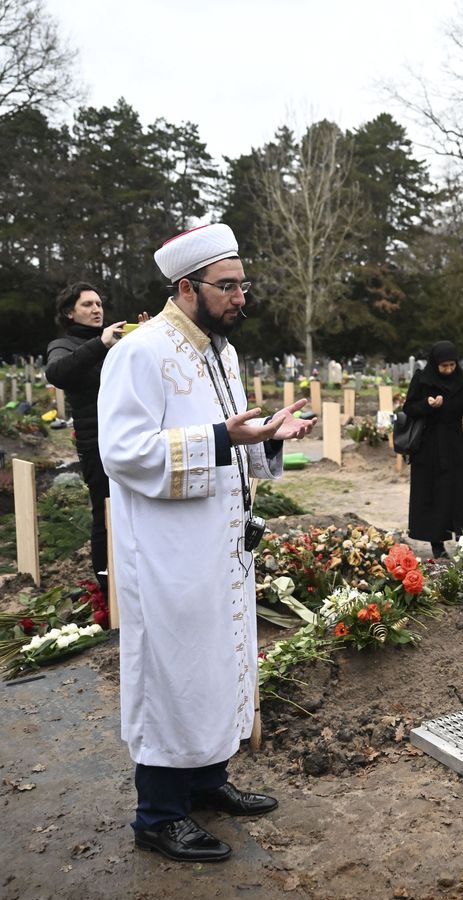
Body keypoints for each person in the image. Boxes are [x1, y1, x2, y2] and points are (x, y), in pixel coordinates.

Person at [97, 223, 314, 862]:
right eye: (228, 286)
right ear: (187, 287)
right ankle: (159, 814)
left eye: (243, 285)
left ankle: (208, 781)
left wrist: (269, 436)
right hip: (168, 554)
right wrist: (224, 439)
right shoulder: (139, 353)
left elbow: (236, 438)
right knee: (173, 673)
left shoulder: (221, 352)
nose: (240, 297)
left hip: (220, 546)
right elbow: (124, 453)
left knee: (219, 663)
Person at [45, 282, 141, 603]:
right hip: (97, 445)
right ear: (69, 312)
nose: (97, 309)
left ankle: (138, 577)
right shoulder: (64, 344)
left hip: (133, 439)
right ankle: (108, 589)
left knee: (139, 509)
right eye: (87, 304)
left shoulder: (119, 341)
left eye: (99, 303)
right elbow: (57, 373)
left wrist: (147, 335)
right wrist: (100, 343)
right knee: (105, 511)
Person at [405, 341, 463, 559]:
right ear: (435, 363)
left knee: (457, 493)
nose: (448, 370)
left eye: (452, 365)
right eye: (444, 366)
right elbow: (409, 408)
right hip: (428, 446)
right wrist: (428, 405)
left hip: (454, 443)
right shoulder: (422, 378)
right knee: (433, 494)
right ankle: (436, 543)